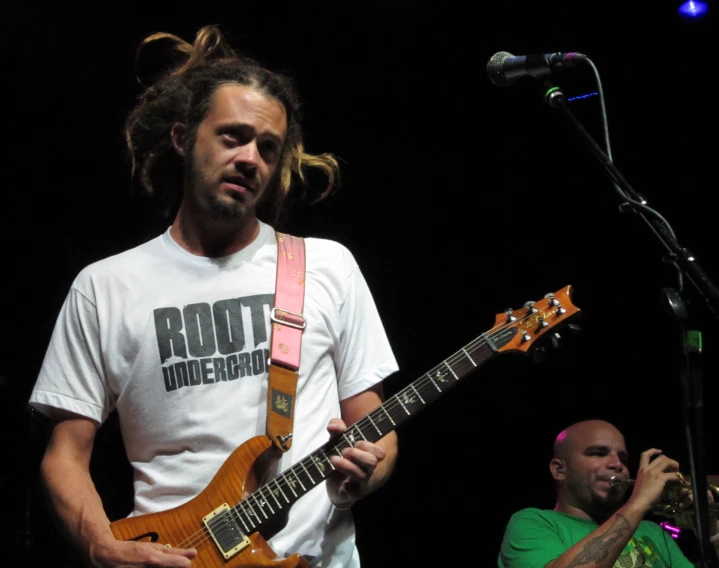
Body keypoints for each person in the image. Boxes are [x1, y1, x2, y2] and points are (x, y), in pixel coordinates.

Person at [28, 24, 399, 568]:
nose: (251, 158)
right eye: (233, 136)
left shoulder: (326, 266)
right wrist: (100, 545)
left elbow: (377, 427)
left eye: (268, 147)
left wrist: (367, 472)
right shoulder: (105, 286)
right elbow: (64, 456)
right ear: (182, 138)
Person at [498, 419, 719, 567]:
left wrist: (711, 525)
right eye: (598, 453)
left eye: (623, 459)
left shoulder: (651, 531)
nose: (617, 464)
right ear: (559, 470)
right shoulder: (532, 522)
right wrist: (639, 502)